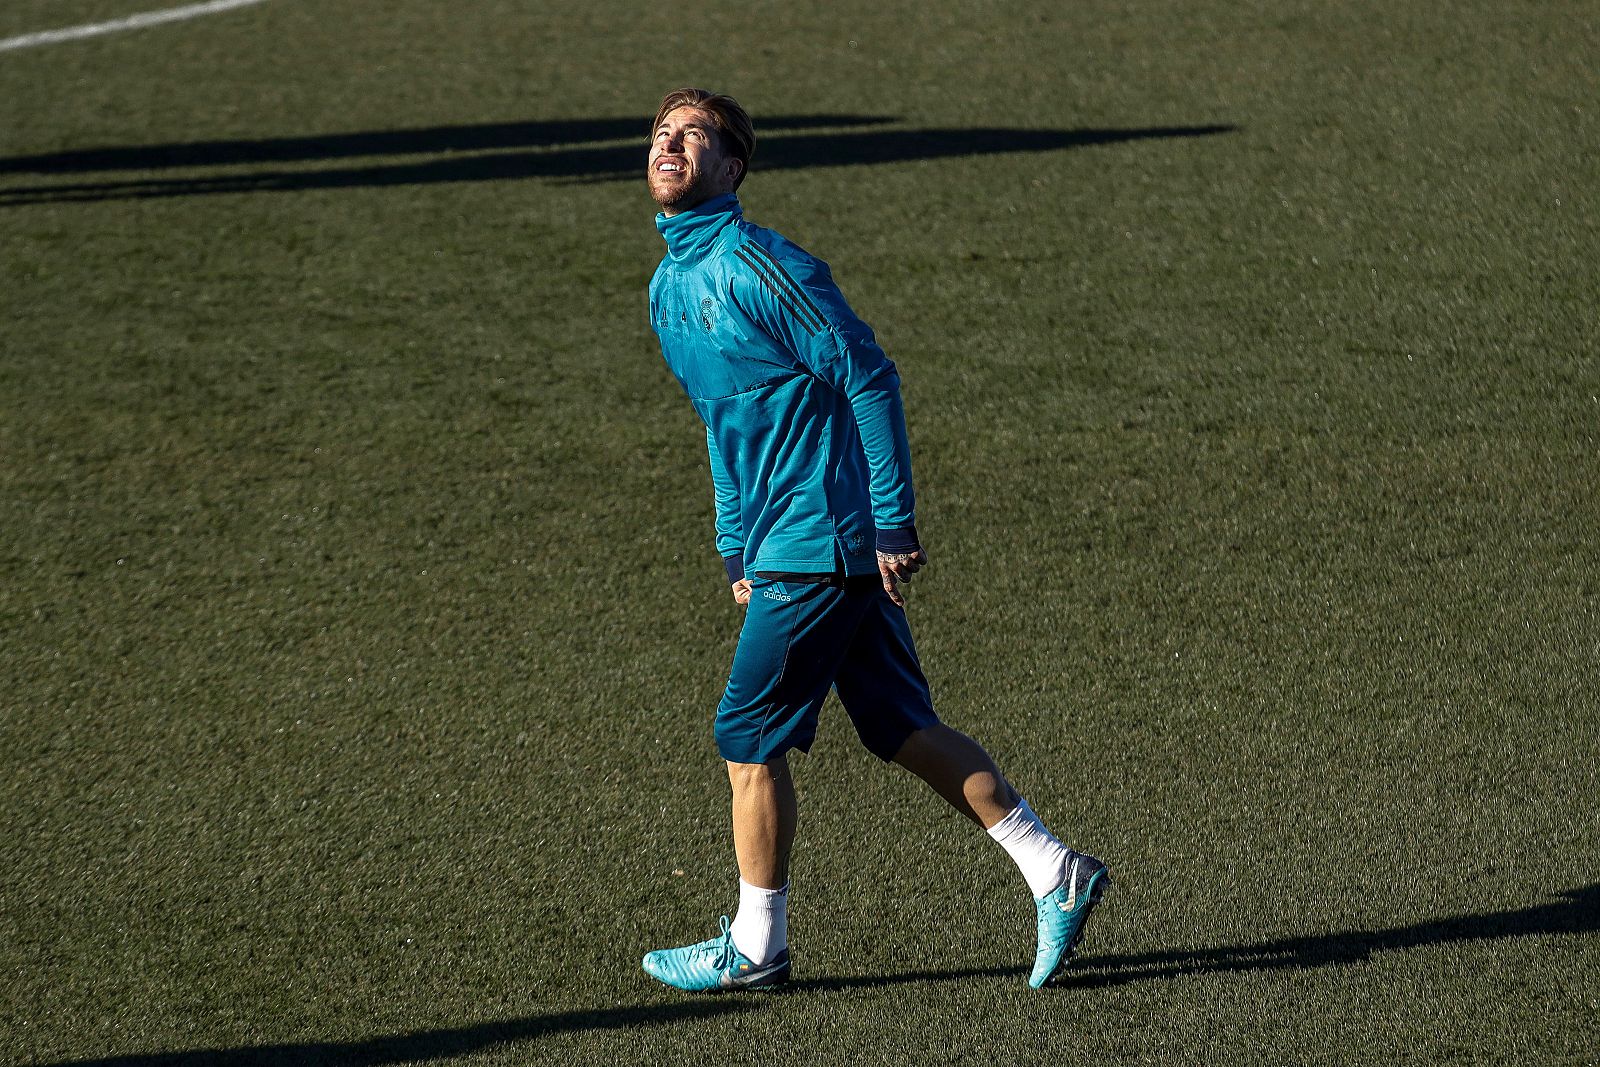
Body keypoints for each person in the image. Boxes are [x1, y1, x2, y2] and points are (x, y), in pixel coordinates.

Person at [641, 87, 1108, 992]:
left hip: (822, 538)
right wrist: (735, 544)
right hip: (789, 542)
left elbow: (869, 376)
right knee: (900, 726)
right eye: (663, 132)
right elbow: (721, 422)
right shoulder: (668, 290)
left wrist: (890, 519)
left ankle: (757, 946)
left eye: (695, 134)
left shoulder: (761, 266)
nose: (672, 142)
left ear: (732, 168)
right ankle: (1057, 870)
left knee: (746, 734)